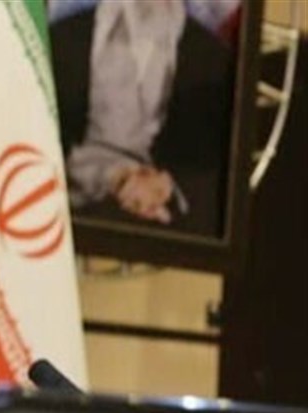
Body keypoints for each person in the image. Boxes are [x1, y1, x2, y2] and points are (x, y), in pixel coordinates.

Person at [51, 0, 234, 236]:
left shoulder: (215, 62)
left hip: (162, 230)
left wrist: (166, 189)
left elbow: (217, 175)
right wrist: (115, 177)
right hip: (56, 215)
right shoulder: (61, 37)